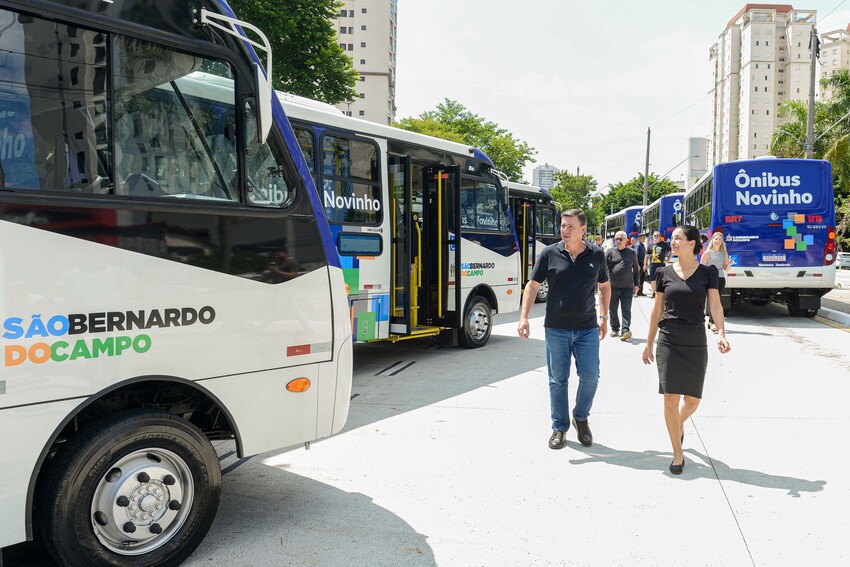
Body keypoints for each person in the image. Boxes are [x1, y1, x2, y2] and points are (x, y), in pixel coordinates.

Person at [517, 209, 611, 450]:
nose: (564, 230)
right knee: (558, 380)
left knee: (590, 377)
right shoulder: (549, 253)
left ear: (583, 230)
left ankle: (581, 417)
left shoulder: (597, 254)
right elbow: (533, 285)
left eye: (570, 226)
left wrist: (603, 315)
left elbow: (604, 286)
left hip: (587, 329)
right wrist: (523, 317)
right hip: (556, 328)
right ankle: (559, 427)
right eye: (562, 225)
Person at [642, 226, 731, 475]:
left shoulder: (707, 273)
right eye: (672, 239)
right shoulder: (663, 272)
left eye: (678, 238)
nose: (672, 242)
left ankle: (677, 424)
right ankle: (677, 453)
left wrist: (721, 333)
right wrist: (649, 342)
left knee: (691, 402)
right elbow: (657, 310)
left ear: (692, 243)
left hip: (695, 338)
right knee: (671, 398)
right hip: (669, 339)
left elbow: (714, 304)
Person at [605, 231, 640, 341]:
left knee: (626, 310)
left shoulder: (631, 252)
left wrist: (637, 284)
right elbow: (604, 268)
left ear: (626, 240)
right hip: (612, 286)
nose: (618, 241)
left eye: (621, 239)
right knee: (613, 309)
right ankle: (615, 328)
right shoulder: (610, 252)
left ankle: (625, 330)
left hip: (627, 287)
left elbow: (636, 270)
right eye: (616, 239)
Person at [700, 232, 732, 333]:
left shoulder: (724, 253)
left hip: (721, 278)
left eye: (720, 239)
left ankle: (712, 322)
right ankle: (712, 322)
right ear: (712, 240)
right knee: (711, 300)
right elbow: (702, 267)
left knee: (717, 300)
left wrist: (729, 264)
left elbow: (725, 269)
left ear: (722, 242)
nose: (717, 241)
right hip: (710, 278)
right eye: (716, 239)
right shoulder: (707, 253)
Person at [646, 231, 671, 298]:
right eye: (655, 235)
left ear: (660, 237)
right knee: (652, 280)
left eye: (658, 235)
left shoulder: (664, 244)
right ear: (653, 237)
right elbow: (647, 255)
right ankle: (654, 293)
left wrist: (668, 259)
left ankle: (660, 293)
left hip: (661, 265)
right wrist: (645, 264)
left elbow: (671, 250)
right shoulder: (650, 245)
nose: (656, 237)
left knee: (662, 279)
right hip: (652, 265)